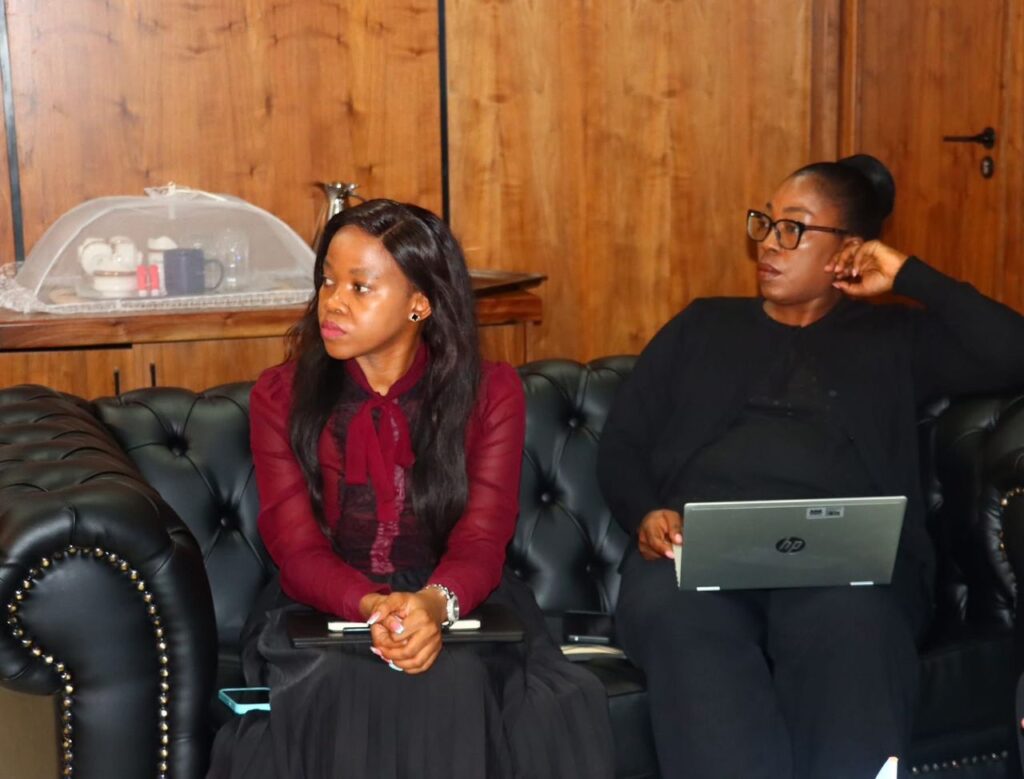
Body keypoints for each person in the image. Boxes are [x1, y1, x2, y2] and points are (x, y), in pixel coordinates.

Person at [597, 155, 1024, 779]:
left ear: (848, 249)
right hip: (699, 556)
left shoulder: (894, 338)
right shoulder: (703, 326)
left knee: (853, 628)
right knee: (684, 625)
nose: (770, 242)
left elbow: (1013, 352)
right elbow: (622, 443)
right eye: (766, 223)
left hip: (844, 565)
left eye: (793, 227)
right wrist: (646, 512)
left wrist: (909, 274)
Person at [208, 199, 613, 779]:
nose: (333, 302)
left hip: (461, 596)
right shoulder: (281, 396)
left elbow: (482, 539)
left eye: (360, 287)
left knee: (456, 676)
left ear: (420, 302)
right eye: (327, 281)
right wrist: (374, 605)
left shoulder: (489, 394)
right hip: (320, 600)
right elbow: (295, 550)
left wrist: (432, 605)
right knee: (343, 679)